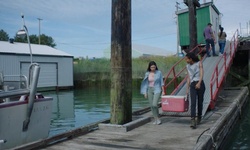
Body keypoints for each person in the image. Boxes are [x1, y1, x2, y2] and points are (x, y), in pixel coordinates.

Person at [140, 61, 165, 125]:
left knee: (154, 104)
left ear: (156, 66)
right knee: (151, 105)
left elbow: (162, 82)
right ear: (149, 67)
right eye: (151, 67)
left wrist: (163, 91)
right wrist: (145, 92)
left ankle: (158, 118)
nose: (153, 68)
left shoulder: (159, 73)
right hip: (149, 89)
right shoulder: (147, 73)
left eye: (154, 67)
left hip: (157, 89)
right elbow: (145, 84)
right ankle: (155, 118)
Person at [185, 52, 205, 129]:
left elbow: (201, 73)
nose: (186, 60)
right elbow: (189, 77)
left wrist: (199, 83)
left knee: (200, 102)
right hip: (192, 85)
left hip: (200, 83)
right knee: (193, 102)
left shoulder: (199, 63)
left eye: (187, 59)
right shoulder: (187, 66)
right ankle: (192, 120)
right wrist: (187, 89)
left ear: (191, 59)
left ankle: (199, 117)